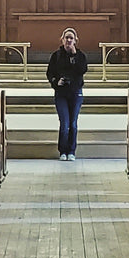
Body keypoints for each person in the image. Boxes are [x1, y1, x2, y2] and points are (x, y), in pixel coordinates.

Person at [46, 27, 88, 160]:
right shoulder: (56, 55)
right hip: (61, 94)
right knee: (64, 123)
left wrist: (74, 55)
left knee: (73, 123)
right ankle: (62, 151)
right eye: (66, 37)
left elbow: (82, 70)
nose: (69, 40)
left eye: (71, 38)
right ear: (62, 39)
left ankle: (71, 151)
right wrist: (55, 82)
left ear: (76, 40)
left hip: (76, 92)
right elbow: (50, 73)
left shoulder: (80, 56)